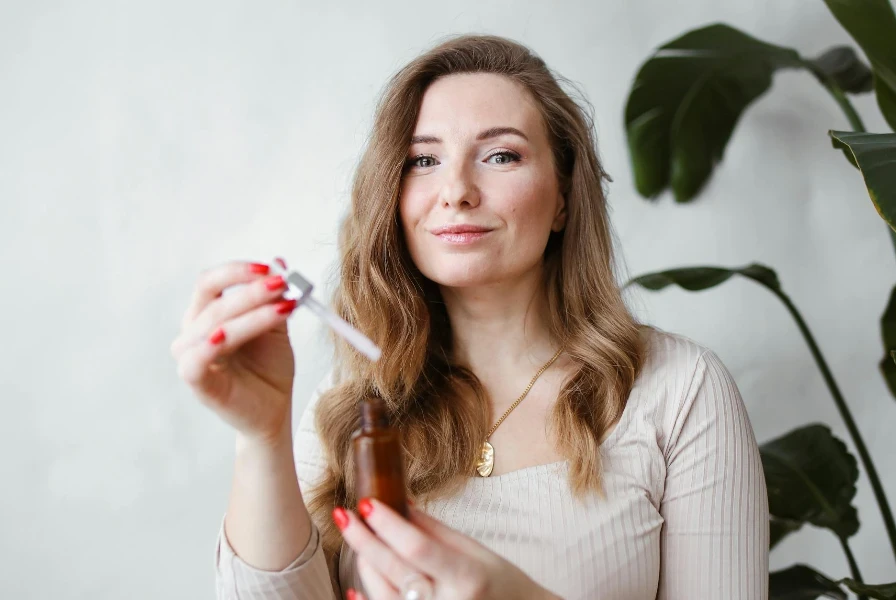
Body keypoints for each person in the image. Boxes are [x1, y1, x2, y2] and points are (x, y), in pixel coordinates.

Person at [171, 34, 768, 600]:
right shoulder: (347, 404)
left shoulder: (680, 390)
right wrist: (260, 435)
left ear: (562, 197)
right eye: (423, 161)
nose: (455, 190)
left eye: (501, 155)